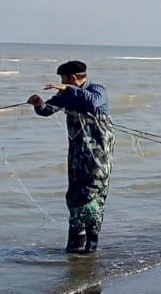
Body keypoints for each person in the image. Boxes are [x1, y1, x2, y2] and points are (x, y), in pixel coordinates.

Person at [27, 60, 114, 254]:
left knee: (91, 198)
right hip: (76, 158)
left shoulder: (97, 90)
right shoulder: (67, 95)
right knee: (74, 198)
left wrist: (67, 88)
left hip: (97, 158)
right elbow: (47, 110)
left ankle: (91, 249)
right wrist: (38, 103)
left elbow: (92, 102)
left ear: (72, 78)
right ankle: (75, 249)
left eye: (63, 79)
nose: (61, 82)